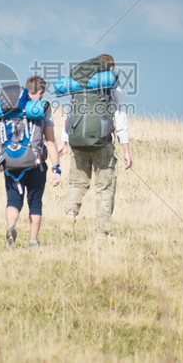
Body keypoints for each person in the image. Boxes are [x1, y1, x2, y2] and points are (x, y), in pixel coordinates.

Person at [59, 54, 133, 239]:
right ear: (109, 69)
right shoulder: (113, 89)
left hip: (77, 142)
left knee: (76, 182)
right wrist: (126, 150)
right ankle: (102, 233)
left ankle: (70, 214)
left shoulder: (78, 87)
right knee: (105, 188)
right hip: (102, 144)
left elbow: (69, 116)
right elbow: (120, 120)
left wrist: (63, 141)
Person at [2, 76, 61, 248]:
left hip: (11, 164)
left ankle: (11, 227)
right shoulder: (42, 109)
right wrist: (56, 169)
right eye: (42, 94)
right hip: (36, 165)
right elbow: (50, 141)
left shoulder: (9, 109)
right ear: (40, 92)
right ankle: (33, 241)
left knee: (13, 201)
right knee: (35, 203)